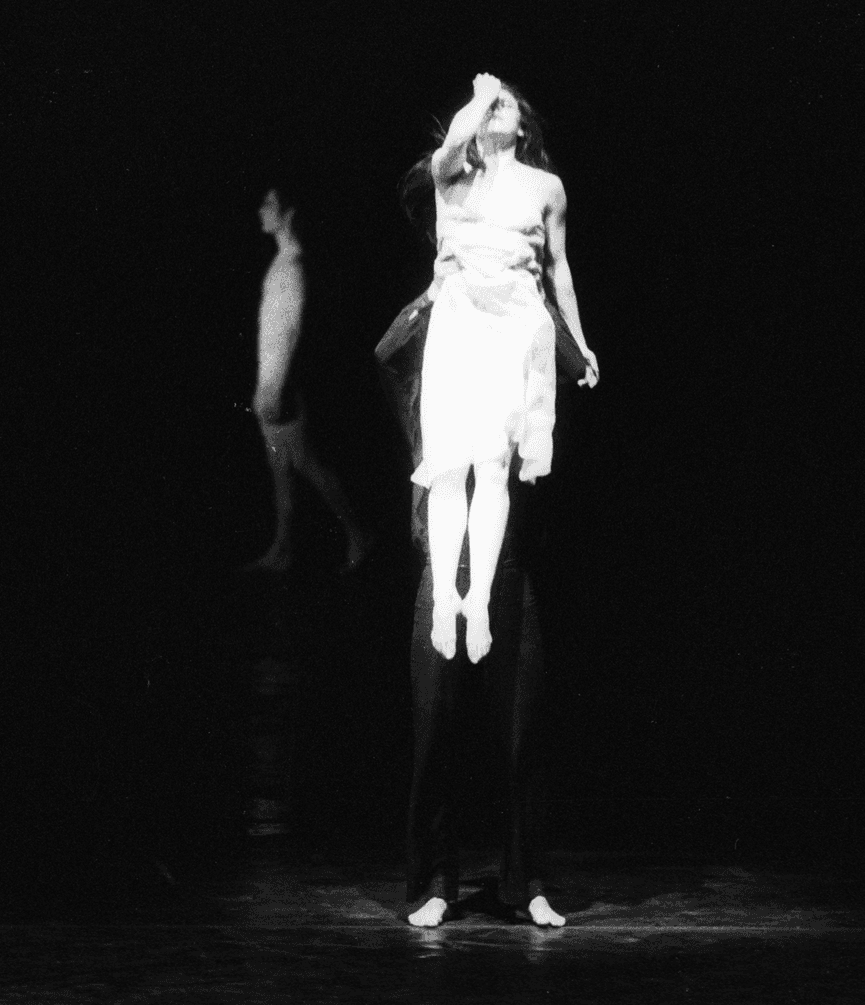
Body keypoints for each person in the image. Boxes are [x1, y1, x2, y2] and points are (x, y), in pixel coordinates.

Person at [376, 75, 598, 928]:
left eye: (511, 107)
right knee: (434, 718)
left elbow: (563, 276)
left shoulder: (542, 195)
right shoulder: (454, 189)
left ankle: (524, 878)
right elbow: (446, 152)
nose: (501, 112)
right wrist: (481, 94)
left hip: (504, 549)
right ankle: (434, 880)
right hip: (442, 530)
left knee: (520, 718)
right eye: (490, 113)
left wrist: (578, 345)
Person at [246, 186, 371, 574]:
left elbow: (291, 332)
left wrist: (275, 387)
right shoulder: (284, 264)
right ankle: (283, 549)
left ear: (287, 213)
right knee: (283, 470)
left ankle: (358, 536)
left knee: (308, 465)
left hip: (281, 388)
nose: (261, 210)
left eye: (269, 203)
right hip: (272, 384)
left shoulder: (293, 267)